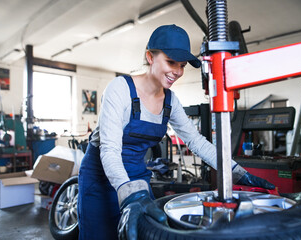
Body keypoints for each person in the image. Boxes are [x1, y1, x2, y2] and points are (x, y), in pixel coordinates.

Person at [77, 24, 275, 240]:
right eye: (171, 62)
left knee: (142, 234)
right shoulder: (120, 89)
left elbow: (197, 142)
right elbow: (110, 151)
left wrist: (237, 172)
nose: (178, 72)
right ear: (150, 57)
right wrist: (129, 196)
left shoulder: (171, 101)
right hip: (100, 176)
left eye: (181, 66)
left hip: (136, 176)